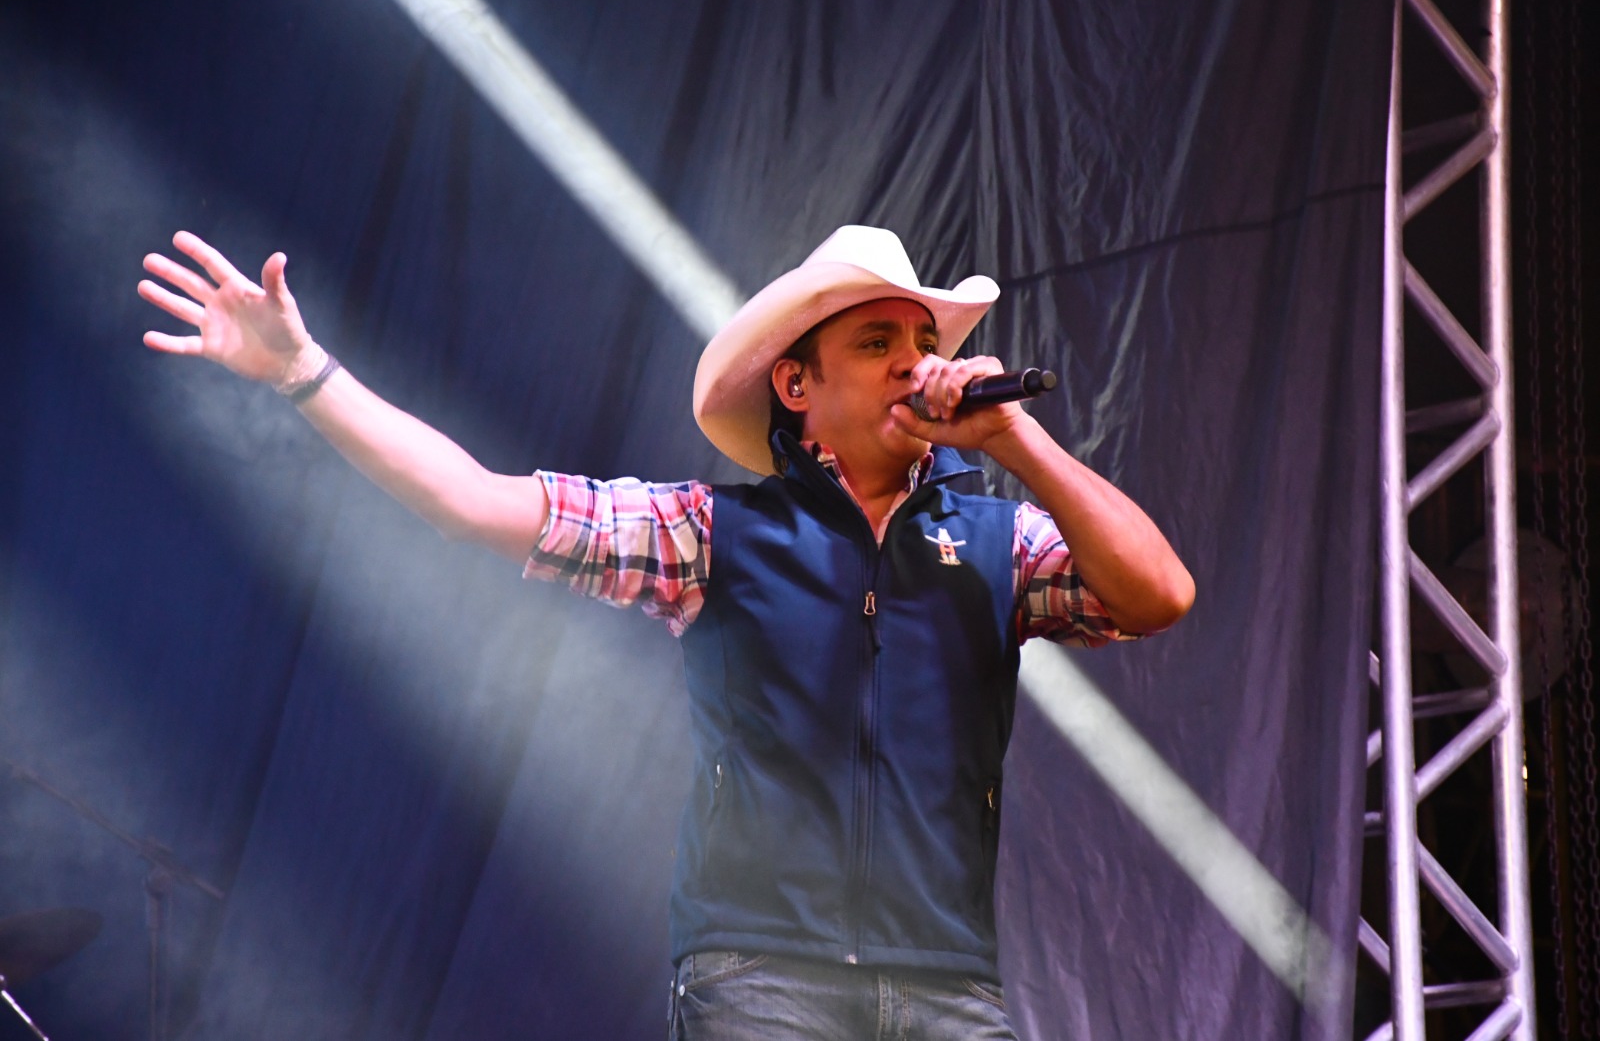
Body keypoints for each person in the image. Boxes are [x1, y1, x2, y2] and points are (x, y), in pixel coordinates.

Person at [138, 225, 1193, 1040]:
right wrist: (304, 374)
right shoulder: (712, 533)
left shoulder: (1001, 541)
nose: (913, 367)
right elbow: (471, 499)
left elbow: (1158, 594)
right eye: (876, 343)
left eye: (923, 344)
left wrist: (1014, 437)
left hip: (948, 984)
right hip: (764, 980)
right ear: (797, 385)